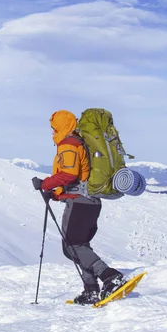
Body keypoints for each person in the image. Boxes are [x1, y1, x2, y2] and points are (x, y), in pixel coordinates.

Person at [31, 110, 126, 305]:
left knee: (72, 247)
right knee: (80, 246)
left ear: (62, 126)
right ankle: (91, 290)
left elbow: (69, 174)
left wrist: (45, 184)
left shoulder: (68, 144)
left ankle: (110, 276)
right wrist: (57, 194)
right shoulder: (78, 142)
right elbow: (78, 178)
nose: (52, 132)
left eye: (54, 128)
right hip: (88, 202)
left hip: (81, 203)